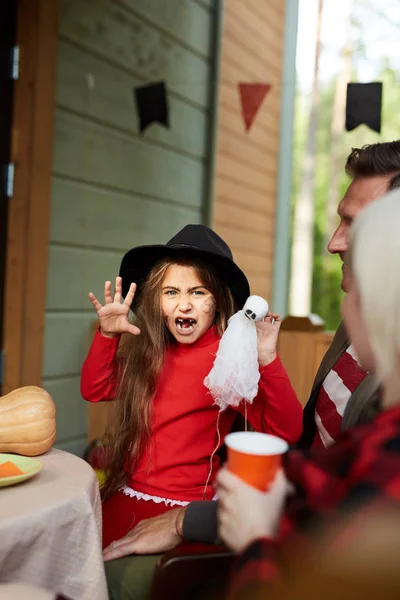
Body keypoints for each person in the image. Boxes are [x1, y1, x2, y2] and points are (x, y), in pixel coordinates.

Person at [103, 141, 400, 568]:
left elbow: (341, 518)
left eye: (355, 225)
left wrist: (200, 518)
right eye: (171, 292)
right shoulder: (354, 333)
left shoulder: (231, 362)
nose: (334, 242)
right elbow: (311, 457)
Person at [216, 186, 400, 598]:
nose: (336, 243)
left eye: (356, 286)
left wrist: (255, 538)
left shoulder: (385, 465)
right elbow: (312, 460)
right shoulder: (375, 438)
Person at [81, 224, 302, 551]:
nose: (184, 305)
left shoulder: (227, 361)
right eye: (171, 292)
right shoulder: (149, 352)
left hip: (183, 510)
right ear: (157, 301)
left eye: (197, 293)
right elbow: (95, 389)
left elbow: (287, 430)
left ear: (218, 300)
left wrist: (267, 359)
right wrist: (108, 335)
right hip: (127, 497)